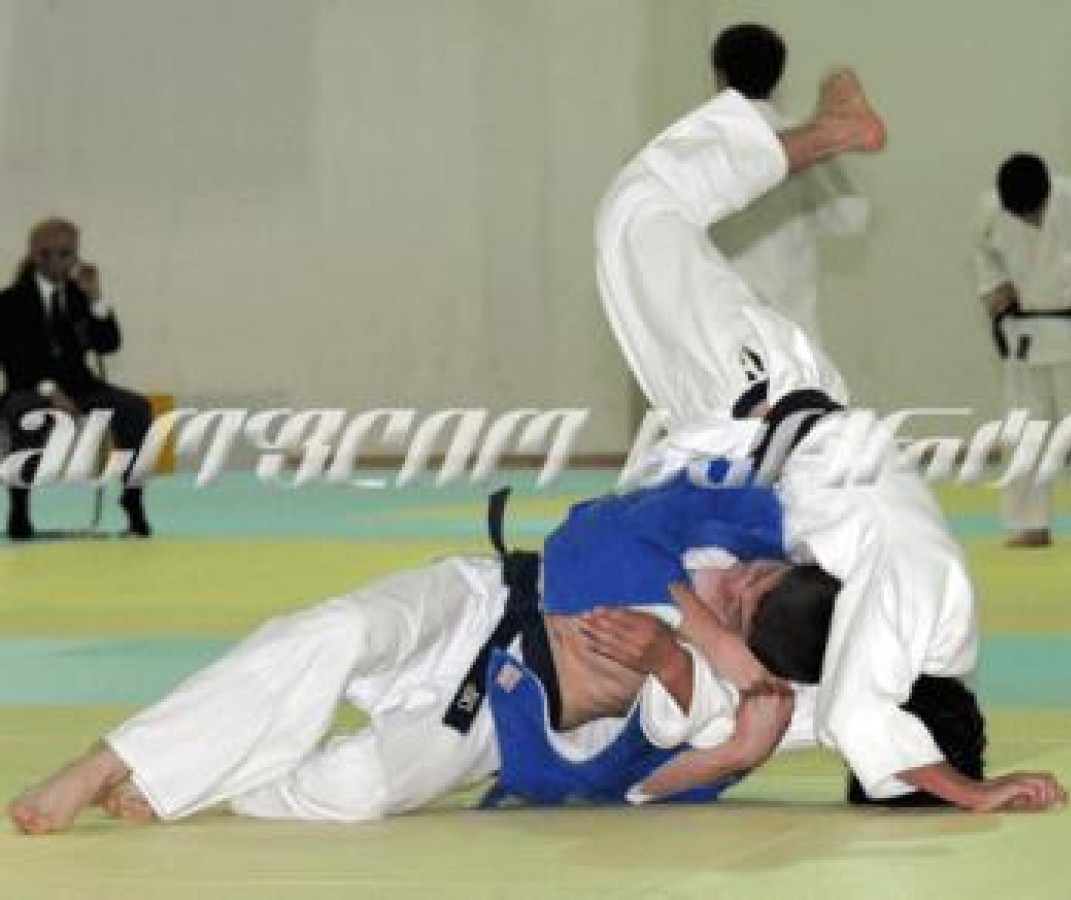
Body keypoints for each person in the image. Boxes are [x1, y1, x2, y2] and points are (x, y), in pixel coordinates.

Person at [594, 68, 1066, 810]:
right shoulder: (916, 603)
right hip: (756, 393)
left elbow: (823, 716)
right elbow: (855, 715)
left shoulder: (906, 644)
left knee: (637, 219)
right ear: (910, 727)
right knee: (638, 210)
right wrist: (969, 792)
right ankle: (834, 133)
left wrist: (671, 771)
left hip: (741, 430)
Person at [7, 467, 837, 834]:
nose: (737, 579)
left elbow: (631, 785)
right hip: (483, 603)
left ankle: (188, 777)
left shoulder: (748, 702)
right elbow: (587, 538)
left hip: (498, 723)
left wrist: (688, 684)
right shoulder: (732, 531)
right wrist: (707, 628)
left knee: (358, 788)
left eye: (744, 603)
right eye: (758, 575)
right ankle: (108, 761)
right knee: (335, 633)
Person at [709, 23, 870, 344]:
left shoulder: (696, 147)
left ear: (719, 76)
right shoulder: (807, 144)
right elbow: (852, 220)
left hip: (719, 338)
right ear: (777, 78)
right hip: (791, 336)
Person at [0, 218, 153, 539]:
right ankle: (19, 509)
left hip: (82, 387)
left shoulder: (78, 296)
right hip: (30, 387)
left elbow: (108, 344)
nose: (63, 262)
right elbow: (15, 359)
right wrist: (50, 392)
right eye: (55, 254)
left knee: (136, 408)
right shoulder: (10, 301)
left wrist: (96, 299)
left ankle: (133, 499)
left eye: (68, 254)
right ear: (37, 255)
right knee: (24, 414)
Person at [973, 153, 1071, 548]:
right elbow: (983, 254)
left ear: (1049, 194)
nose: (1028, 221)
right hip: (1025, 336)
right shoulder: (990, 210)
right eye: (1020, 215)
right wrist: (995, 286)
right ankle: (1029, 523)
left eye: (1034, 212)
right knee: (1023, 431)